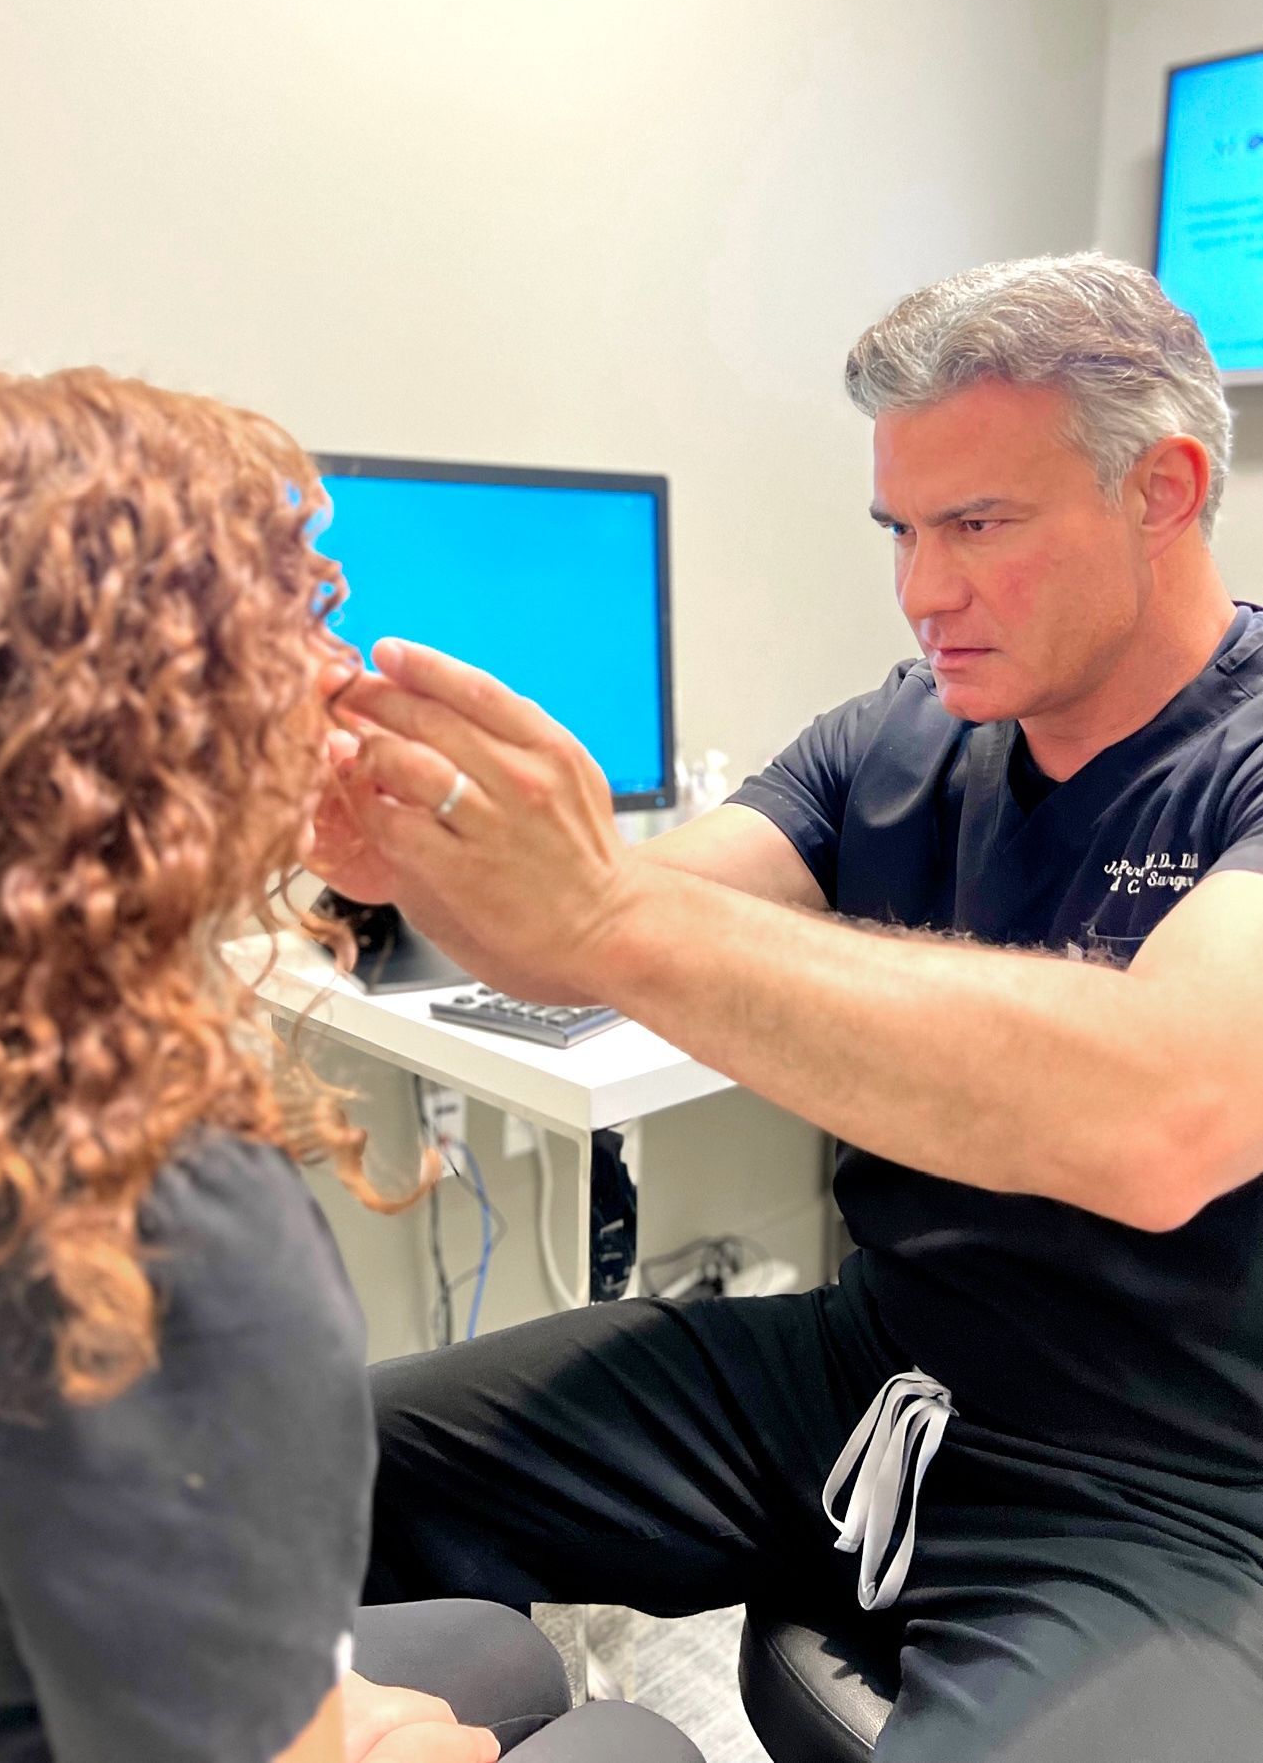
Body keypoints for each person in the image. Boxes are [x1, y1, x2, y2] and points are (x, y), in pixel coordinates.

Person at [314, 255, 1263, 1761]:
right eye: (901, 530)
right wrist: (429, 862)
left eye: (976, 525)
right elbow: (592, 941)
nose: (922, 590)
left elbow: (1164, 1114)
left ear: (1162, 490)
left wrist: (605, 912)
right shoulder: (897, 732)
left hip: (1170, 1473)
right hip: (874, 1364)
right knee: (291, 1464)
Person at [0, 370, 702, 1763]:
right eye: (305, 620)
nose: (344, 673)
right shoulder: (160, 1227)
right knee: (629, 1741)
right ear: (152, 721)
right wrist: (380, 1744)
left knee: (494, 1648)